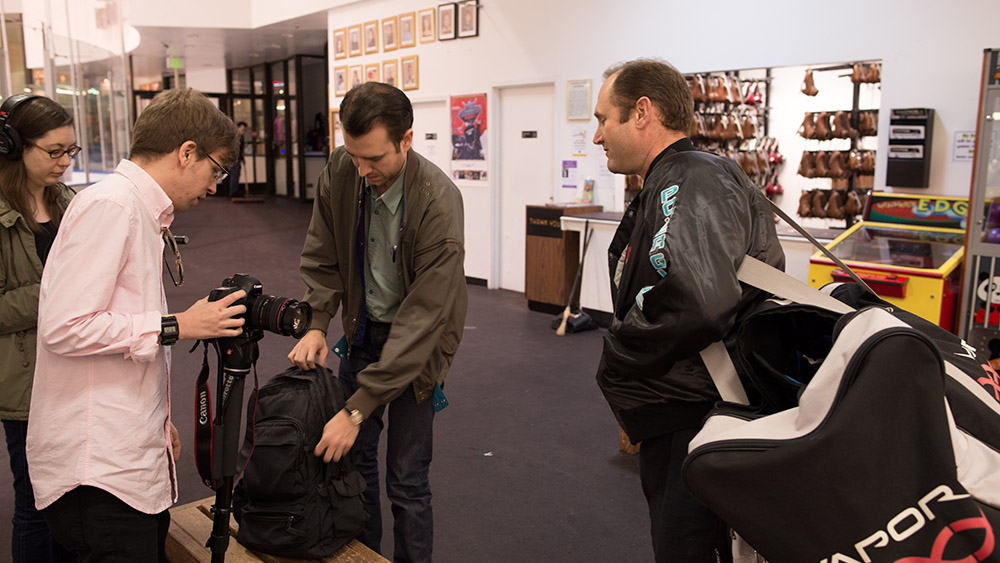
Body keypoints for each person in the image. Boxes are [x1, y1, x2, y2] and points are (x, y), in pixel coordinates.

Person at [26, 88, 248, 562]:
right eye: (217, 169)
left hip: (117, 457)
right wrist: (178, 325)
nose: (214, 186)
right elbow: (65, 327)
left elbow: (114, 321)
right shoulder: (113, 207)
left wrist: (154, 421)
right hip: (99, 473)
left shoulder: (135, 208)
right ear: (187, 153)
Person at [591, 59, 784, 562]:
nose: (597, 136)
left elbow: (695, 301)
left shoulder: (691, 178)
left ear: (642, 112)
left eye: (602, 119)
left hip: (702, 411)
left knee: (688, 547)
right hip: (688, 404)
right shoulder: (676, 178)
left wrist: (617, 356)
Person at [288, 81, 467, 563]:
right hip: (363, 327)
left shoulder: (438, 203)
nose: (363, 169)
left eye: (375, 159)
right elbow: (323, 251)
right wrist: (317, 322)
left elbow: (424, 319)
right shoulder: (344, 168)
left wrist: (354, 409)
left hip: (418, 347)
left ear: (406, 140)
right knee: (356, 468)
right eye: (354, 155)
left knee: (406, 480)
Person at [0, 94, 78, 563]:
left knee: (72, 499)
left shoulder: (68, 200)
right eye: (54, 151)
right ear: (13, 147)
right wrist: (56, 292)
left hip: (76, 370)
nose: (66, 162)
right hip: (25, 383)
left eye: (72, 151)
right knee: (35, 503)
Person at [228, 121, 247, 198]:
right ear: (238, 128)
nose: (243, 131)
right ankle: (233, 192)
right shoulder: (236, 137)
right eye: (242, 129)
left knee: (236, 175)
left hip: (237, 158)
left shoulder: (241, 137)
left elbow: (241, 150)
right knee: (234, 175)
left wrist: (242, 158)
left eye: (244, 130)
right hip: (234, 159)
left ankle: (234, 191)